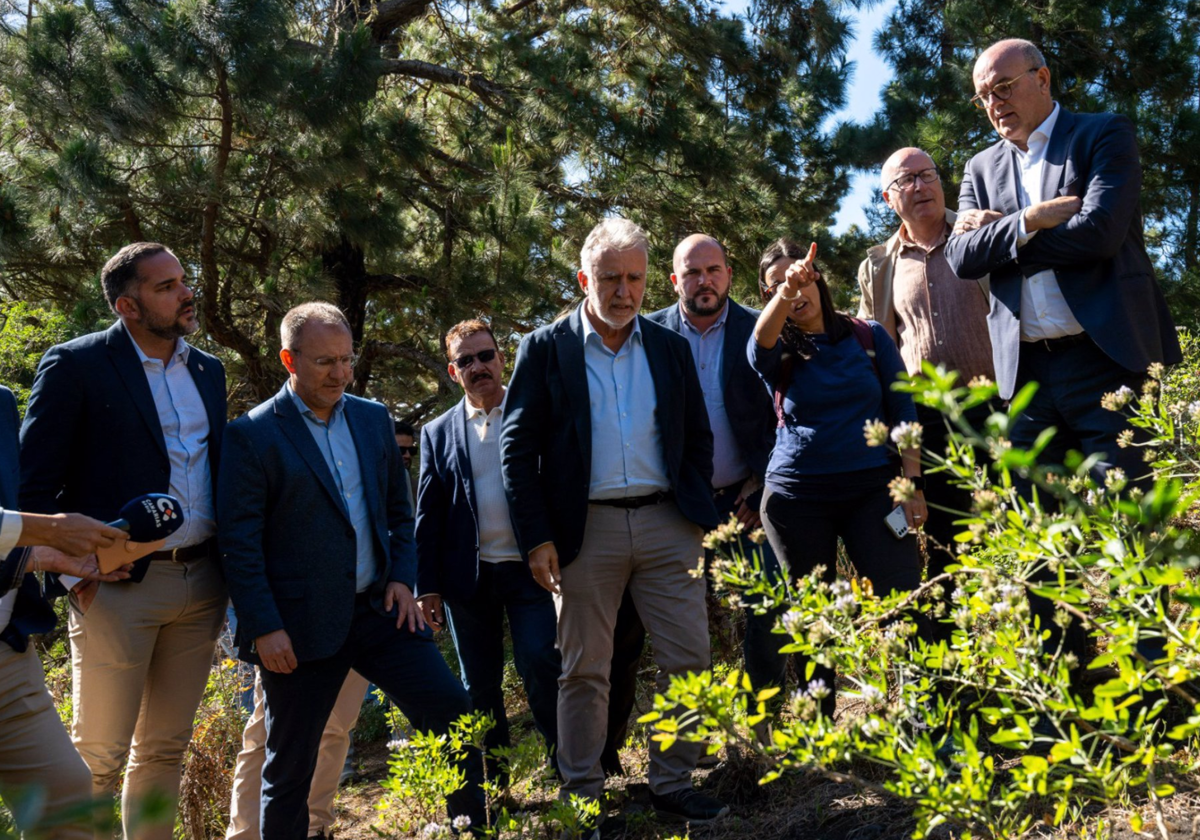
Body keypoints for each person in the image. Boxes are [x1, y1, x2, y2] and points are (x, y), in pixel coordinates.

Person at [942, 38, 1182, 656]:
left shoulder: (1102, 134)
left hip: (1107, 364)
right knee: (1038, 542)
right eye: (982, 97)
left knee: (1131, 527)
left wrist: (1001, 238)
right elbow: (962, 258)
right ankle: (1066, 674)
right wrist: (1027, 221)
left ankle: (1162, 677)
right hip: (1025, 381)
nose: (993, 105)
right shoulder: (979, 169)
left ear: (1043, 77)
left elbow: (1099, 234)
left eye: (1003, 88)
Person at [217, 302, 484, 840]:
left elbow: (397, 513)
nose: (340, 373)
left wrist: (400, 580)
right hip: (298, 628)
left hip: (380, 612)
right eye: (324, 363)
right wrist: (265, 626)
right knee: (290, 766)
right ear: (288, 360)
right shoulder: (253, 435)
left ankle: (473, 830)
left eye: (347, 359)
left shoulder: (370, 417)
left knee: (454, 713)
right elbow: (238, 544)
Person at [501, 218, 728, 828]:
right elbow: (516, 451)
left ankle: (672, 782)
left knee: (688, 657)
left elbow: (696, 438)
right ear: (584, 278)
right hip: (584, 532)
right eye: (610, 278)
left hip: (667, 522)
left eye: (634, 277)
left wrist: (694, 511)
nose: (624, 291)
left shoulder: (668, 345)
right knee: (583, 670)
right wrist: (538, 537)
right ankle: (584, 793)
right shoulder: (545, 348)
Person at [20, 242, 229, 840]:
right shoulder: (76, 364)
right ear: (128, 306)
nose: (186, 293)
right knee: (97, 757)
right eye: (166, 287)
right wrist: (66, 570)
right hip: (115, 588)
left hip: (202, 584)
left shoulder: (208, 370)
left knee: (164, 750)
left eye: (184, 280)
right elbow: (34, 484)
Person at [749, 238, 928, 717]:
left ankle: (921, 723)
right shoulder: (776, 346)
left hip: (873, 490)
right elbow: (757, 347)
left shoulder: (868, 335)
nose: (795, 288)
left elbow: (902, 408)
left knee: (903, 601)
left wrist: (911, 483)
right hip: (796, 499)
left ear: (820, 276)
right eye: (778, 285)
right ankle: (818, 730)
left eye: (802, 276)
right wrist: (784, 294)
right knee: (816, 616)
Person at [858, 148, 995, 642]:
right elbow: (878, 351)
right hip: (931, 424)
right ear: (888, 197)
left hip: (1001, 410)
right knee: (947, 552)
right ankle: (956, 677)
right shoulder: (878, 265)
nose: (921, 187)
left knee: (1024, 538)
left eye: (928, 175)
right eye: (907, 180)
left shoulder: (978, 231)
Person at [415, 319, 561, 783]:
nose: (478, 366)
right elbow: (427, 515)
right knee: (480, 687)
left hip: (532, 571)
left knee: (541, 662)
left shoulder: (536, 412)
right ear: (452, 370)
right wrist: (428, 587)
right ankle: (497, 788)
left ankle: (570, 771)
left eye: (486, 355)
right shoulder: (437, 433)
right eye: (466, 360)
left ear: (502, 358)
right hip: (468, 579)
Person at [645, 234, 788, 695]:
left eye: (713, 270)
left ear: (728, 274)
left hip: (746, 500)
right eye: (692, 272)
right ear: (674, 281)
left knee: (770, 604)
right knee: (678, 624)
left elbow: (787, 412)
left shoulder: (761, 328)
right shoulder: (649, 338)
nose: (703, 280)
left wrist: (760, 480)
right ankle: (694, 740)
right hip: (674, 504)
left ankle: (761, 719)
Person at [0, 385, 131, 840]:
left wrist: (43, 556)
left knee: (67, 794)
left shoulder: (0, 402)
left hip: (8, 656)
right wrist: (52, 531)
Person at [225, 669, 369, 840]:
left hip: (349, 643)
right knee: (268, 732)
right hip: (287, 644)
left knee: (335, 726)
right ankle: (246, 835)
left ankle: (314, 830)